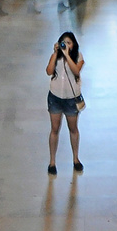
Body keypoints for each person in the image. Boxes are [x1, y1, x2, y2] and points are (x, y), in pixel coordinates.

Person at [45, 32, 85, 175]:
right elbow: (49, 71)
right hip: (55, 97)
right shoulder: (56, 56)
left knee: (73, 128)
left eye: (69, 42)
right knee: (54, 129)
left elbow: (76, 71)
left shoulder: (78, 57)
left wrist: (67, 55)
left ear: (73, 44)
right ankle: (52, 162)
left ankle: (75, 158)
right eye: (64, 42)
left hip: (71, 99)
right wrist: (56, 54)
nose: (66, 45)